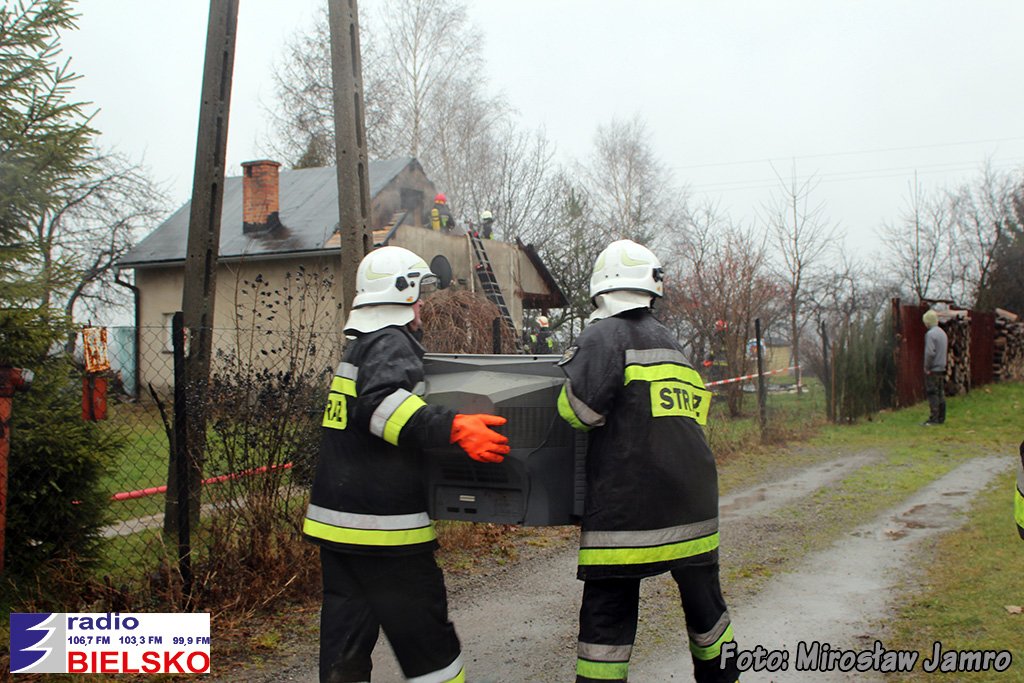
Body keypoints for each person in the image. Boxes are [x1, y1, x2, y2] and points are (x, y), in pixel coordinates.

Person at [303, 246, 510, 683]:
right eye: (419, 294)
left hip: (340, 527)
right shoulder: (391, 341)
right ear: (404, 295)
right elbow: (379, 407)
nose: (422, 306)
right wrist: (454, 428)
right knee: (428, 645)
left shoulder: (360, 347)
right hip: (384, 530)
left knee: (346, 647)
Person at [555, 239, 739, 683]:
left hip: (629, 511)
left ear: (601, 290)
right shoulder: (672, 343)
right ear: (650, 291)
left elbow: (580, 412)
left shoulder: (603, 334)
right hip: (695, 505)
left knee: (608, 616)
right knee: (707, 609)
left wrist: (562, 385)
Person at [922, 308, 947, 425]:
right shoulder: (943, 333)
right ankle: (942, 417)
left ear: (928, 322)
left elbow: (930, 352)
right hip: (942, 367)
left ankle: (934, 418)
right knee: (941, 392)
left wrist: (927, 367)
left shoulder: (930, 334)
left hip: (934, 368)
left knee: (932, 392)